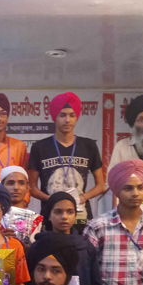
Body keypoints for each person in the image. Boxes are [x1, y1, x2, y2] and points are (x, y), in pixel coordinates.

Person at [28, 92, 105, 226]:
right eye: (62, 115)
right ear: (54, 117)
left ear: (77, 117)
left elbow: (101, 186)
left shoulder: (89, 146)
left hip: (81, 217)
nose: (67, 120)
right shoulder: (39, 147)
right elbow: (32, 187)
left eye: (72, 115)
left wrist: (83, 197)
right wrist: (51, 199)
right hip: (50, 217)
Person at [42, 191, 103, 285]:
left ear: (75, 215)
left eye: (70, 212)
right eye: (58, 212)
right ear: (49, 215)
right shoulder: (40, 247)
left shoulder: (85, 246)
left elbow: (96, 283)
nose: (64, 217)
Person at [0, 165, 43, 242]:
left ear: (27, 187)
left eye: (21, 183)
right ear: (1, 186)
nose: (16, 187)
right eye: (10, 183)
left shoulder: (35, 219)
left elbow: (36, 247)